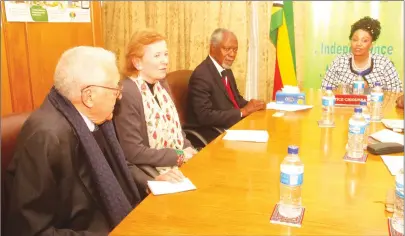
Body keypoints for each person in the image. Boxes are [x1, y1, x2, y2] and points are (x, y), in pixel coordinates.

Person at [5, 46, 148, 235]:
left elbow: (117, 169)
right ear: (89, 96)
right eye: (115, 89)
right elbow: (30, 230)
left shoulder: (97, 119)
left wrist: (150, 183)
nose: (119, 95)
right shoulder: (46, 138)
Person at [113, 29, 196, 191]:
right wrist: (179, 156)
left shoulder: (162, 84)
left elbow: (176, 130)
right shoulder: (128, 92)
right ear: (137, 62)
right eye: (157, 56)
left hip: (177, 164)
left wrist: (189, 150)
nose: (165, 61)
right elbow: (133, 151)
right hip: (151, 172)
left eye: (165, 54)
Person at [186, 28, 266, 143]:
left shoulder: (226, 69)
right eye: (227, 49)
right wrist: (243, 112)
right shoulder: (202, 75)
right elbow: (205, 116)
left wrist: (252, 105)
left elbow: (236, 99)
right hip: (213, 134)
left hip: (231, 128)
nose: (232, 55)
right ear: (213, 47)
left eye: (235, 50)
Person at [321, 16, 403, 92]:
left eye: (364, 40)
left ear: (371, 44)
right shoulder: (339, 62)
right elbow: (325, 90)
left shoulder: (383, 63)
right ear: (350, 41)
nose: (358, 44)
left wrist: (370, 90)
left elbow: (397, 92)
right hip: (344, 107)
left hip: (376, 107)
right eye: (355, 39)